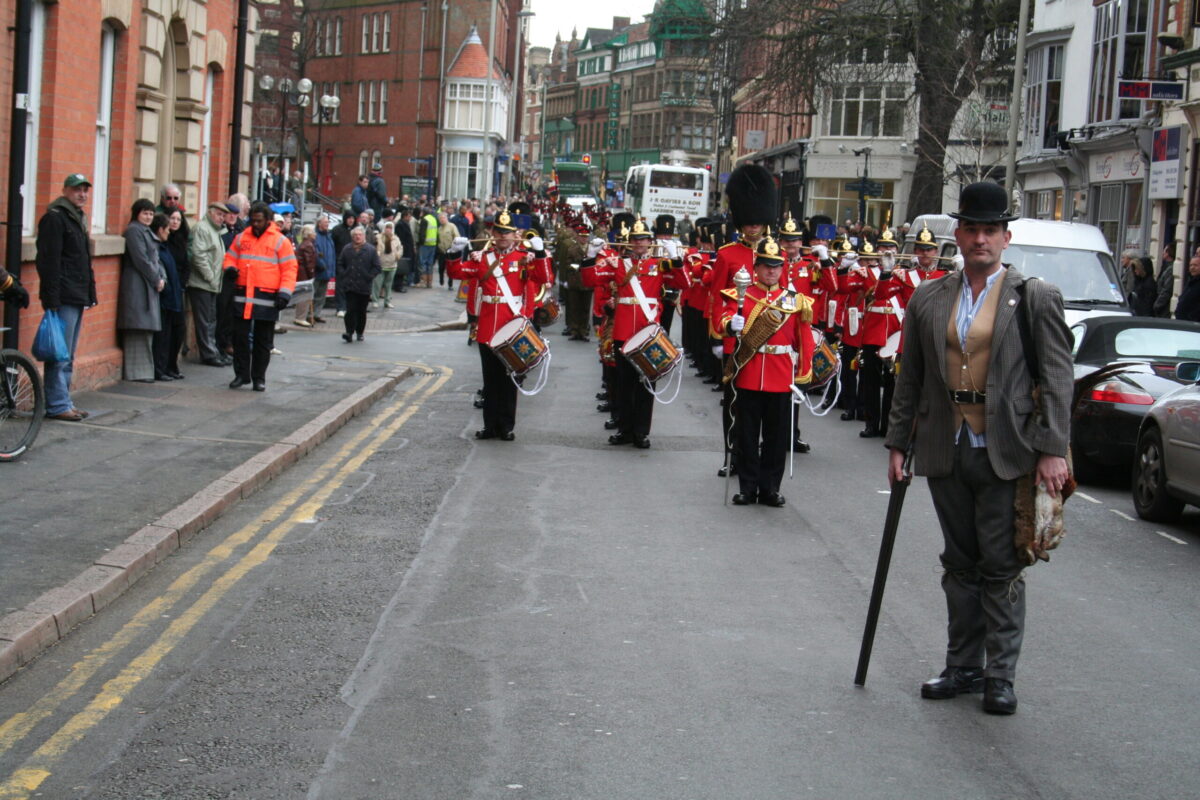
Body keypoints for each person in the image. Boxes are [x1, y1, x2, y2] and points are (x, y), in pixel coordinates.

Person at [885, 182, 1073, 716]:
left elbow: (1058, 380)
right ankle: (962, 665)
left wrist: (1052, 449)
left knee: (1001, 565)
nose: (981, 239)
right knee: (959, 563)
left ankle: (999, 675)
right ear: (959, 234)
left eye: (991, 230)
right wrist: (899, 441)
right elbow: (911, 377)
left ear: (1006, 237)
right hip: (947, 446)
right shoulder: (929, 296)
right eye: (972, 229)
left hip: (1007, 448)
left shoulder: (1034, 296)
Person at [718, 236, 815, 506]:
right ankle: (747, 488)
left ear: (782, 269)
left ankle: (770, 488)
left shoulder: (796, 302)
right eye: (765, 265)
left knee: (776, 438)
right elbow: (721, 321)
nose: (771, 271)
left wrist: (803, 377)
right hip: (749, 373)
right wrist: (730, 325)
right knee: (746, 436)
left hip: (781, 376)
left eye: (776, 266)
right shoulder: (740, 294)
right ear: (756, 268)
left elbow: (804, 341)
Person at [582, 218, 689, 449]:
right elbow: (590, 279)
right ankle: (625, 429)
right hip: (622, 332)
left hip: (648, 332)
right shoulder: (618, 264)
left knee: (646, 384)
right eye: (635, 239)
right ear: (629, 242)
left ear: (650, 242)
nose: (639, 243)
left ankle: (641, 432)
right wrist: (590, 257)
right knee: (624, 384)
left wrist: (676, 260)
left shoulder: (660, 264)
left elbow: (683, 283)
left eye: (643, 239)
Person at [447, 210, 553, 441]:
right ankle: (489, 425)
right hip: (487, 327)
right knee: (490, 380)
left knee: (509, 380)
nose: (503, 236)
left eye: (507, 232)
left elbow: (545, 279)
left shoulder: (524, 258)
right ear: (492, 233)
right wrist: (455, 252)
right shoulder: (483, 258)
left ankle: (505, 426)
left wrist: (540, 252)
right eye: (499, 232)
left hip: (511, 327)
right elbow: (457, 272)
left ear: (516, 235)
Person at [35, 173, 96, 421]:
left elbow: (82, 261)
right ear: (65, 190)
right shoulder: (55, 218)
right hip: (63, 295)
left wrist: (89, 293)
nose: (82, 194)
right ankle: (58, 404)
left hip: (76, 294)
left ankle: (64, 401)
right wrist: (51, 298)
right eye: (76, 190)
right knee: (58, 353)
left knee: (67, 353)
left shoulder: (76, 218)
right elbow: (48, 261)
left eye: (85, 190)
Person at [222, 201, 298, 391]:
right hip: (242, 296)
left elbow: (289, 268)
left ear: (268, 221)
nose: (255, 224)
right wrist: (230, 268)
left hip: (268, 296)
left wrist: (284, 293)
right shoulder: (241, 238)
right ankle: (241, 375)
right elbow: (230, 257)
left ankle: (259, 378)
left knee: (262, 342)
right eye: (252, 221)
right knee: (239, 339)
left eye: (259, 221)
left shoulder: (280, 241)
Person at [118, 199, 165, 382]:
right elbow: (141, 259)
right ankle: (137, 373)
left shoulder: (145, 231)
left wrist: (161, 278)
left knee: (145, 330)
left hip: (148, 284)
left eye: (151, 214)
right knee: (138, 328)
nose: (148, 217)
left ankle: (144, 372)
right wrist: (156, 278)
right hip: (138, 285)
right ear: (137, 213)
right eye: (145, 213)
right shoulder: (134, 231)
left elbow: (155, 259)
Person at [188, 203, 230, 366]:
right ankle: (208, 353)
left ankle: (212, 351)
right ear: (210, 213)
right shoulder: (203, 229)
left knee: (211, 319)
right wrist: (210, 277)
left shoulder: (215, 231)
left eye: (223, 216)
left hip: (212, 283)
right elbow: (199, 256)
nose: (221, 218)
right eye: (219, 214)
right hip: (202, 283)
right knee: (205, 320)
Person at [151, 213, 186, 380]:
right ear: (160, 229)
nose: (169, 231)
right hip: (166, 299)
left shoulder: (164, 247)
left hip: (174, 296)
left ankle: (168, 367)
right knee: (162, 337)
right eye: (166, 228)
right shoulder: (158, 248)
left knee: (175, 333)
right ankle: (160, 369)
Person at [337, 226, 381, 342]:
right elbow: (340, 263)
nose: (357, 237)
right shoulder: (347, 249)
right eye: (355, 235)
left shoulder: (370, 250)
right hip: (350, 284)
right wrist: (344, 274)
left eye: (360, 235)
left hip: (364, 285)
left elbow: (377, 267)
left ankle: (360, 332)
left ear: (364, 236)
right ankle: (349, 332)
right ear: (352, 236)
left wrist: (369, 276)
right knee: (350, 310)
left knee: (361, 311)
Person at [312, 214, 336, 323]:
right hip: (318, 271)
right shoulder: (315, 236)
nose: (327, 224)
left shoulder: (328, 236)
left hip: (327, 271)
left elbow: (332, 252)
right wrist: (322, 265)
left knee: (321, 295)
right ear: (319, 223)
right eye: (325, 222)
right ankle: (310, 314)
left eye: (328, 222)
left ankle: (317, 314)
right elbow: (315, 252)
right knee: (313, 293)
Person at [293, 224, 318, 326]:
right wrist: (311, 274)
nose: (315, 234)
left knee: (303, 296)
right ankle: (300, 317)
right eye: (313, 232)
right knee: (305, 296)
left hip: (301, 273)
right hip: (304, 275)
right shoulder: (308, 245)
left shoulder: (304, 244)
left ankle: (300, 316)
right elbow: (309, 263)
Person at [375, 222, 401, 307]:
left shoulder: (396, 238)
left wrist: (398, 255)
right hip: (381, 264)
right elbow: (375, 247)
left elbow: (400, 248)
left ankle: (387, 301)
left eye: (390, 228)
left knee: (388, 285)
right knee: (377, 283)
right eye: (387, 227)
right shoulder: (378, 237)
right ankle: (375, 300)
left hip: (392, 265)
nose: (388, 230)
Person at [1174, 254, 1200, 322]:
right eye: (1191, 265)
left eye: (1195, 265)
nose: (1192, 267)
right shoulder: (1190, 282)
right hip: (1183, 323)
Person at [1154, 242, 1176, 318]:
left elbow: (1167, 289)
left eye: (1165, 250)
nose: (1163, 252)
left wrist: (1157, 305)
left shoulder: (1170, 269)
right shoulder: (1166, 266)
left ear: (1168, 253)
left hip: (1164, 307)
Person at [437, 211, 458, 288]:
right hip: (441, 250)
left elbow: (456, 237)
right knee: (441, 267)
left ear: (446, 218)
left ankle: (450, 282)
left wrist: (454, 247)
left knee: (450, 267)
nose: (442, 220)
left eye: (443, 218)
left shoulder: (452, 226)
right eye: (440, 218)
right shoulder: (439, 228)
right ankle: (441, 279)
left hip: (450, 250)